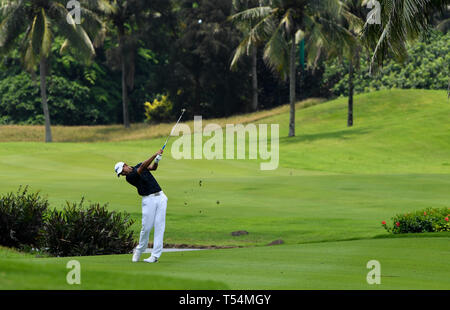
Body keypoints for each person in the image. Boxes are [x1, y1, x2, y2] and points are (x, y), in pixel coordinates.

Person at [114, 149, 167, 263]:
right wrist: (154, 154)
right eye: (121, 174)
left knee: (160, 227)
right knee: (146, 227)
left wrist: (157, 160)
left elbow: (153, 168)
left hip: (161, 197)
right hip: (148, 200)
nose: (123, 174)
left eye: (122, 171)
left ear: (125, 165)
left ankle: (155, 256)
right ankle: (139, 250)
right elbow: (143, 167)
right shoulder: (130, 177)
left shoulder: (137, 166)